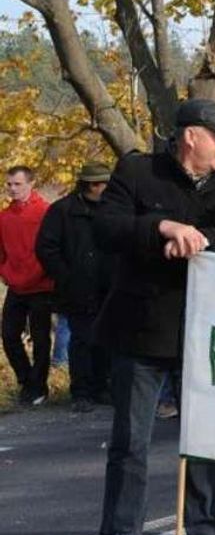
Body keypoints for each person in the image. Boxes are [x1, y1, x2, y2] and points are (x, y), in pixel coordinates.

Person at [85, 98, 215, 535]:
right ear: (191, 135)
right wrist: (162, 227)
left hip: (202, 332)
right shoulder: (137, 171)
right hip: (140, 330)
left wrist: (201, 239)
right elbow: (107, 227)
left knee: (203, 442)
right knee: (130, 444)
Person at [35, 163, 113, 413]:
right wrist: (66, 276)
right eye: (103, 184)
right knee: (81, 340)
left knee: (104, 339)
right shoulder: (62, 211)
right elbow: (46, 248)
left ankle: (102, 387)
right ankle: (81, 391)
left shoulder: (112, 209)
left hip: (107, 284)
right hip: (76, 286)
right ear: (92, 185)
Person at [0, 166, 54, 406]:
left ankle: (39, 386)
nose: (12, 188)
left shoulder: (45, 213)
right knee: (9, 334)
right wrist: (4, 272)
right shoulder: (4, 217)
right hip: (16, 285)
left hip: (42, 285)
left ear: (31, 184)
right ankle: (27, 382)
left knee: (41, 338)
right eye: (9, 184)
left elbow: (52, 248)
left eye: (17, 184)